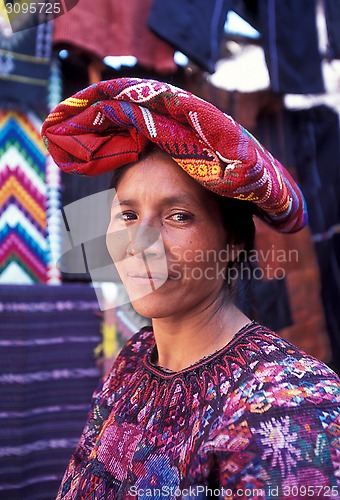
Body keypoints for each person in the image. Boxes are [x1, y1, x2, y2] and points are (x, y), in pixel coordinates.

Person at [42, 78, 340, 500]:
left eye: (179, 216)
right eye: (127, 214)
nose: (139, 243)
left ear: (234, 240)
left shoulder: (290, 408)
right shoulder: (134, 362)